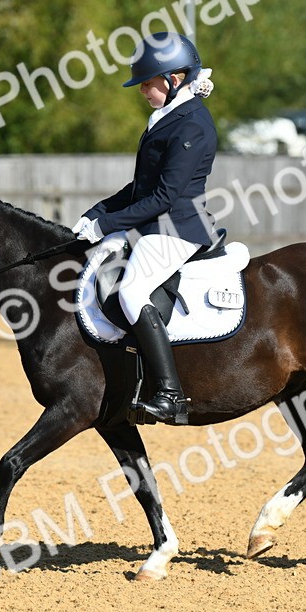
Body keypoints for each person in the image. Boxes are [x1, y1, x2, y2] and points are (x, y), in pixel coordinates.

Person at [71, 31, 219, 425]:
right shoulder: (168, 115)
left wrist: (107, 224)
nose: (142, 91)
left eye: (148, 84)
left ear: (175, 79)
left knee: (132, 290)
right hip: (156, 224)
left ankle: (170, 395)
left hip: (178, 228)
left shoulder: (191, 125)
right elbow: (141, 188)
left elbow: (164, 198)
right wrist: (97, 212)